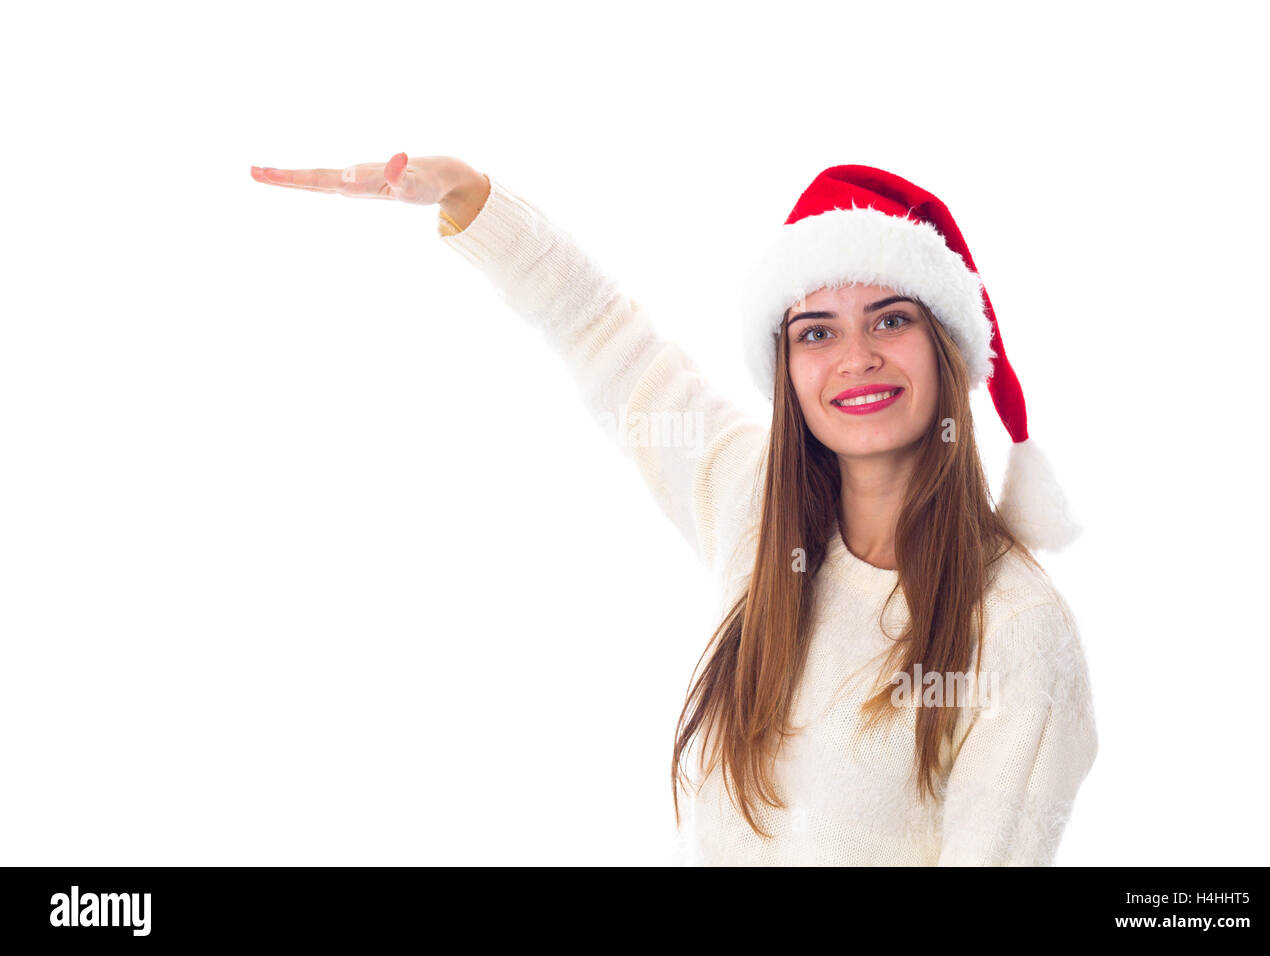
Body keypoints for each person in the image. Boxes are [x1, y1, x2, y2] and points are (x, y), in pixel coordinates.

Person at [250, 154, 1100, 866]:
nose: (856, 358)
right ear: (786, 367)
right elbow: (606, 339)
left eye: (890, 318)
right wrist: (471, 199)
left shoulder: (1019, 631)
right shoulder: (761, 518)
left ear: (947, 347)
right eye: (816, 331)